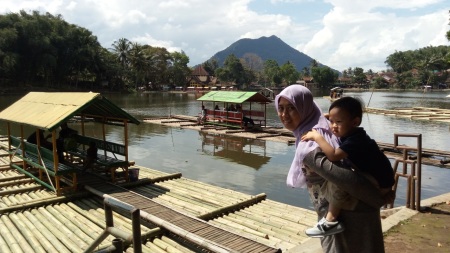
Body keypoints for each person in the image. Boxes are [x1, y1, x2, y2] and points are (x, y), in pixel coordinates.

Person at [275, 85, 387, 253]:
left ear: (305, 108)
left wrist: (377, 199)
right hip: (347, 213)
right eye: (281, 108)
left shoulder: (310, 146)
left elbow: (346, 178)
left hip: (345, 220)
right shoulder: (326, 127)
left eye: (292, 108)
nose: (284, 115)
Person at [301, 96, 395, 237]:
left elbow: (333, 155)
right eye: (331, 121)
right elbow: (334, 119)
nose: (333, 126)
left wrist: (317, 137)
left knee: (341, 180)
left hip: (379, 183)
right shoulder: (354, 133)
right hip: (382, 179)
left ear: (355, 122)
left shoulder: (355, 140)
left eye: (338, 122)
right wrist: (328, 117)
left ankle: (330, 221)